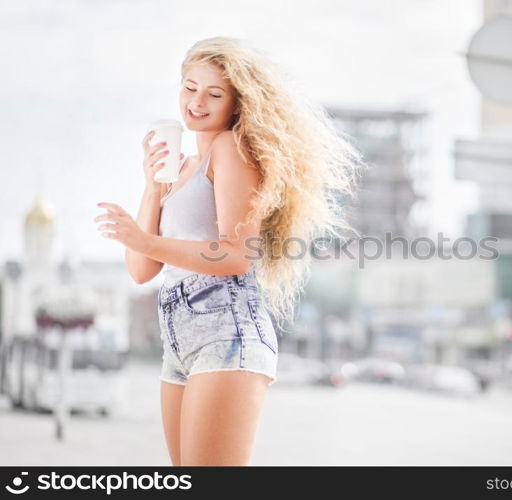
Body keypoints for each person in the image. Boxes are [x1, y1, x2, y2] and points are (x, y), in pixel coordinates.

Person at [93, 36, 365, 465]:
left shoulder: (230, 149)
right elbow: (143, 270)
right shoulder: (181, 169)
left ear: (237, 104)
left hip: (226, 329)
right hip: (178, 336)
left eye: (214, 93)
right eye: (189, 86)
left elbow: (238, 255)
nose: (196, 101)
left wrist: (144, 239)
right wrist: (151, 189)